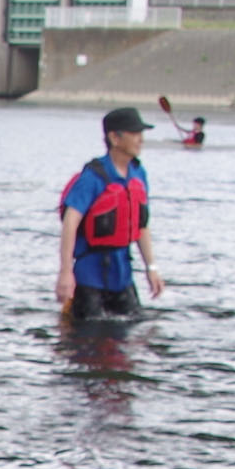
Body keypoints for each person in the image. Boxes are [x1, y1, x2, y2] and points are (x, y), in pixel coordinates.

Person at [56, 105, 164, 322]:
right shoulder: (93, 177)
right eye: (134, 133)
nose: (140, 139)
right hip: (90, 275)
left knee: (133, 333)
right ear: (114, 138)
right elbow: (70, 223)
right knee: (88, 338)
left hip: (122, 273)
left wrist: (151, 268)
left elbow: (141, 224)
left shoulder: (138, 173)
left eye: (141, 133)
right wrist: (65, 272)